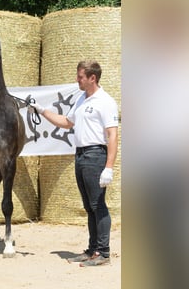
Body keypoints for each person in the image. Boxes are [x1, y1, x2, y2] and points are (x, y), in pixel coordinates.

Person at [30, 60, 119, 266]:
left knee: (98, 205)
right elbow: (66, 122)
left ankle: (103, 253)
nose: (77, 80)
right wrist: (43, 111)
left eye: (80, 77)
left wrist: (108, 167)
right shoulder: (81, 99)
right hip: (80, 156)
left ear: (92, 78)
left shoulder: (105, 101)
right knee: (89, 206)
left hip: (95, 155)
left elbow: (112, 135)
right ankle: (92, 249)